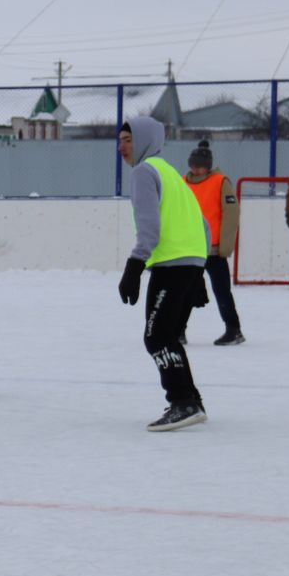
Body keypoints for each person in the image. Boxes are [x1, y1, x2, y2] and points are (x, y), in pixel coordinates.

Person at [117, 116, 209, 431]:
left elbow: (150, 227)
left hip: (171, 265)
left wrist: (135, 263)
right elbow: (202, 223)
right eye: (120, 140)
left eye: (128, 140)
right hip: (190, 262)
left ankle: (182, 402)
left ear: (143, 140)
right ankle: (190, 400)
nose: (122, 147)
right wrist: (200, 270)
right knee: (167, 335)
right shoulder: (170, 172)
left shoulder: (145, 172)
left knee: (156, 336)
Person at [183, 141, 244, 345]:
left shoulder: (220, 181)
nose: (196, 169)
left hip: (214, 250)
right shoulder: (183, 182)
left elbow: (231, 214)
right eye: (193, 164)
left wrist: (226, 245)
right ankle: (178, 330)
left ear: (208, 165)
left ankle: (233, 330)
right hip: (190, 248)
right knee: (184, 290)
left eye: (200, 165)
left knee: (221, 290)